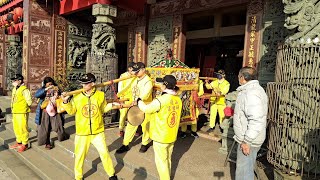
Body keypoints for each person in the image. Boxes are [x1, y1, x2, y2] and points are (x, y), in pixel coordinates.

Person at [61, 73, 118, 180]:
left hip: (98, 131)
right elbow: (72, 111)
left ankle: (112, 174)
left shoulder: (100, 95)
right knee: (79, 156)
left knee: (104, 153)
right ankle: (78, 177)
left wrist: (114, 105)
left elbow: (103, 109)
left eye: (86, 83)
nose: (83, 86)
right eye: (82, 84)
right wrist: (65, 101)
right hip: (82, 133)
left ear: (92, 83)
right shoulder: (77, 97)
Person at [138, 75, 182, 180]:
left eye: (162, 83)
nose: (160, 84)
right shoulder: (177, 100)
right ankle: (167, 177)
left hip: (160, 136)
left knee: (161, 162)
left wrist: (138, 101)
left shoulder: (161, 100)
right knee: (167, 159)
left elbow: (146, 109)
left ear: (164, 85)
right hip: (171, 135)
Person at [233, 67, 268, 180]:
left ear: (242, 77)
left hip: (249, 140)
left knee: (244, 173)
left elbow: (256, 120)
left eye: (239, 76)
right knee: (246, 169)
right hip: (250, 137)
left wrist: (247, 141)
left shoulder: (251, 93)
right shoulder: (254, 90)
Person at [116, 62, 153, 154]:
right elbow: (128, 88)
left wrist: (138, 100)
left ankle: (144, 143)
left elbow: (146, 93)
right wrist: (119, 95)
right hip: (134, 106)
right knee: (131, 124)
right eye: (135, 72)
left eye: (137, 71)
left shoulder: (148, 81)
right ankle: (125, 144)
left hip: (145, 106)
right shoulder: (135, 79)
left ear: (143, 69)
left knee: (145, 126)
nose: (136, 73)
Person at [35, 77, 69, 149]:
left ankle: (62, 136)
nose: (50, 85)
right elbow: (37, 95)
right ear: (45, 84)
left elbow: (61, 96)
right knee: (45, 127)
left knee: (57, 125)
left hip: (55, 110)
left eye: (51, 83)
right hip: (45, 111)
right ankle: (47, 142)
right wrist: (46, 89)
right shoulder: (43, 90)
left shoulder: (57, 89)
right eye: (48, 84)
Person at [9, 74, 32, 153]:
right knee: (16, 128)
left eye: (15, 80)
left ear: (20, 81)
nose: (13, 82)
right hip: (15, 111)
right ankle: (19, 142)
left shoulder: (24, 90)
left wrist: (25, 107)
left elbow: (29, 101)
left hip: (22, 111)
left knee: (23, 128)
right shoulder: (15, 89)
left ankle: (25, 144)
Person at [117, 62, 136, 137]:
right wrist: (121, 98)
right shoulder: (123, 76)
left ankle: (132, 130)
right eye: (133, 68)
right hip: (125, 97)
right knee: (123, 115)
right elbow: (120, 87)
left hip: (133, 97)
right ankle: (121, 129)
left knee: (133, 114)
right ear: (129, 68)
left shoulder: (136, 76)